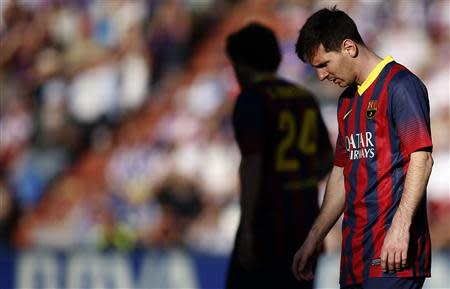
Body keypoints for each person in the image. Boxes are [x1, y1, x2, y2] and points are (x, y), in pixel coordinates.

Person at [291, 7, 433, 289]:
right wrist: (314, 237)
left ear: (348, 47)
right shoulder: (347, 101)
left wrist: (400, 227)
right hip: (354, 257)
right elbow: (343, 171)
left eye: (324, 64)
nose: (320, 76)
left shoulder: (400, 86)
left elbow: (422, 159)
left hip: (393, 256)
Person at [225, 23, 333, 289]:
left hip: (267, 223)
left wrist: (247, 229)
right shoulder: (304, 98)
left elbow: (252, 163)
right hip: (303, 224)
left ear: (241, 63)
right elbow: (327, 160)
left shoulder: (251, 98)